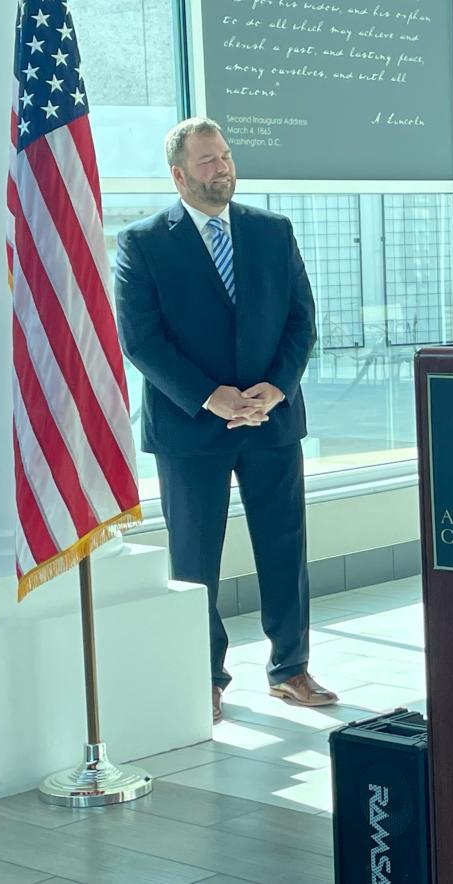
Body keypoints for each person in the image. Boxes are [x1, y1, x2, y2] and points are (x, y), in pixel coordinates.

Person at [115, 117, 336, 724]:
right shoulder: (143, 242)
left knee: (284, 546)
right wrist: (210, 396)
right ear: (179, 173)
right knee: (194, 558)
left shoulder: (272, 231)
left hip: (270, 418)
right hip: (191, 425)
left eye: (226, 156)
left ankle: (290, 669)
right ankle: (204, 676)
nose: (224, 168)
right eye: (209, 161)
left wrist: (277, 387)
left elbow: (301, 320)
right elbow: (141, 338)